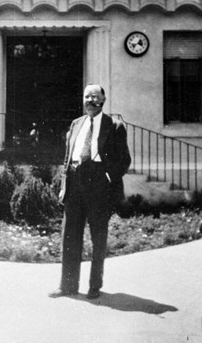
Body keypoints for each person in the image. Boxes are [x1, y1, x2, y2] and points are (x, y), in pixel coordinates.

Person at [49, 84, 131, 299]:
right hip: (75, 183)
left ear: (103, 100)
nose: (90, 100)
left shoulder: (114, 125)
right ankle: (67, 286)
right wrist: (64, 186)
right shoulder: (76, 124)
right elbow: (68, 157)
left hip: (98, 185)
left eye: (95, 96)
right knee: (70, 236)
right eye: (87, 96)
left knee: (98, 237)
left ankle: (95, 286)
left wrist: (106, 178)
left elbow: (124, 160)